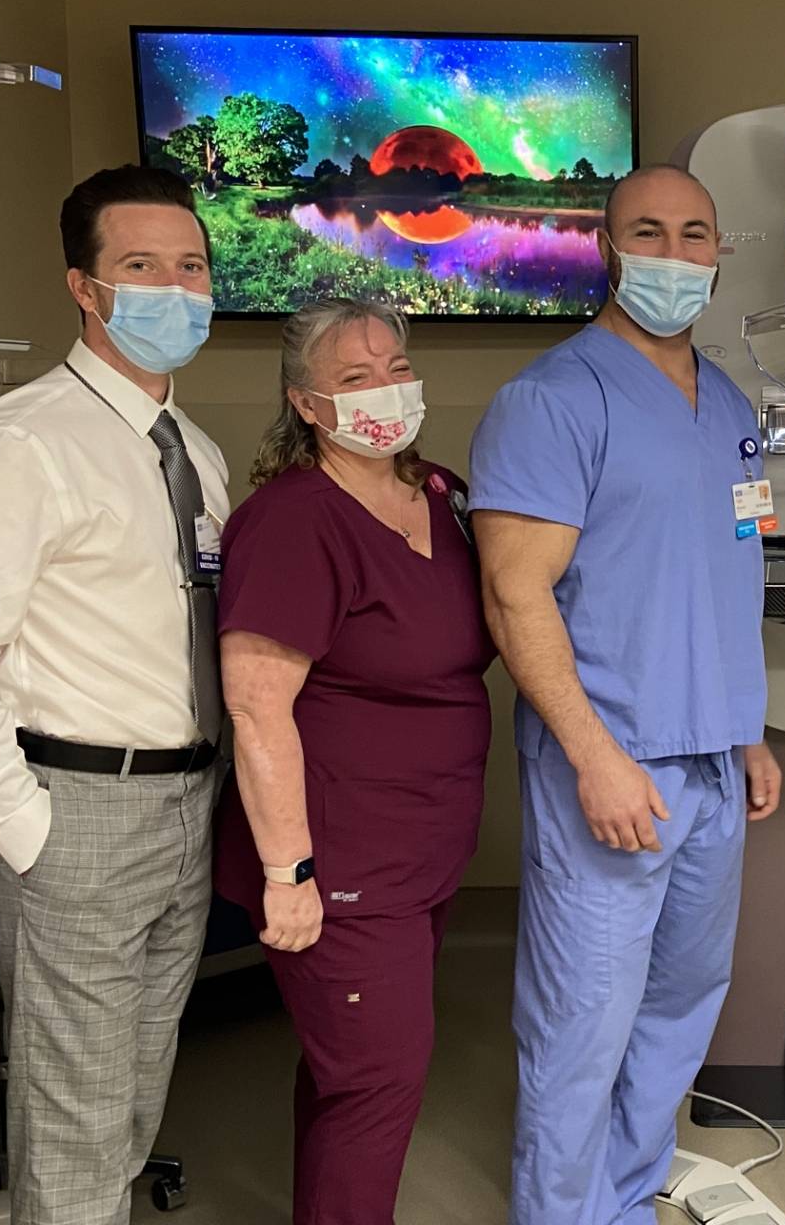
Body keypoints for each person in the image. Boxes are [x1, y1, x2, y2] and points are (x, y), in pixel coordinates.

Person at [0, 164, 225, 1225]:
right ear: (85, 286)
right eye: (142, 266)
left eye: (191, 266)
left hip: (187, 803)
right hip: (75, 812)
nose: (175, 288)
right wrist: (21, 826)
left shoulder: (196, 455)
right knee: (76, 1121)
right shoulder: (19, 443)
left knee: (131, 1100)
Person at [469, 163, 782, 1225]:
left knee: (682, 999)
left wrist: (746, 731)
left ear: (718, 253)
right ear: (608, 247)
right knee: (581, 1020)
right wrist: (595, 755)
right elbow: (514, 596)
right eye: (648, 232)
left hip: (712, 759)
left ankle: (627, 1194)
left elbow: (727, 575)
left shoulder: (728, 404)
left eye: (695, 234)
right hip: (609, 762)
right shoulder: (553, 401)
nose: (674, 254)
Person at [212, 299, 494, 1225]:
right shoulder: (294, 520)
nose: (387, 390)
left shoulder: (443, 497)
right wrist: (288, 874)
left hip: (424, 850)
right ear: (305, 403)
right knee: (379, 1080)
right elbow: (256, 709)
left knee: (349, 1075)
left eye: (396, 367)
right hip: (338, 861)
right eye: (355, 377)